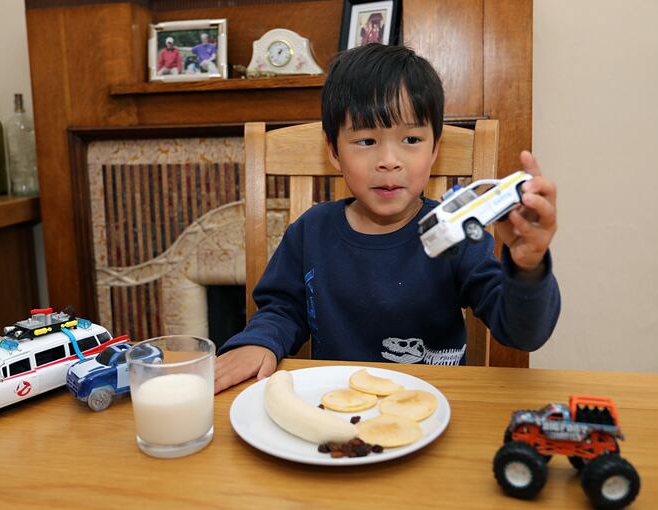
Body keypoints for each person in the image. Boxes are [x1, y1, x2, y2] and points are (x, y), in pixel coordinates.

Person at [214, 44, 560, 393]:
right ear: (334, 151)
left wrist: (528, 267)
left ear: (434, 148)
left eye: (411, 139)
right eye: (366, 140)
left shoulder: (454, 234)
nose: (389, 161)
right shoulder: (311, 231)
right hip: (336, 405)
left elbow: (522, 333)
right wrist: (259, 342)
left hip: (431, 410)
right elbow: (282, 310)